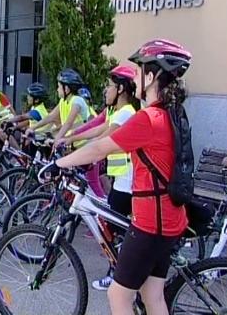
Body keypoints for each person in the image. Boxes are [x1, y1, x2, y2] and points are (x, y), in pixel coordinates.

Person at [43, 39, 192, 315]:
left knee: (118, 295)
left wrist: (58, 164)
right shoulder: (173, 114)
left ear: (151, 76)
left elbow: (101, 146)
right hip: (169, 220)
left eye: (139, 70)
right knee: (152, 295)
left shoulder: (148, 118)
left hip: (150, 224)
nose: (135, 77)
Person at [58, 65, 139, 290]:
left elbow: (103, 139)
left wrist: (74, 155)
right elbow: (98, 128)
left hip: (127, 179)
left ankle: (118, 274)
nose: (105, 89)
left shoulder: (126, 113)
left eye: (110, 85)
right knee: (116, 227)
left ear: (121, 88)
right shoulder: (118, 112)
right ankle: (123, 271)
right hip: (121, 177)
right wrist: (71, 137)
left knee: (112, 229)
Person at [26, 68, 89, 148]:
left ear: (66, 89)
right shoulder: (63, 101)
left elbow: (68, 123)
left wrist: (56, 139)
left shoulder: (77, 101)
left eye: (59, 86)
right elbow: (51, 116)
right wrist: (33, 128)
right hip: (69, 143)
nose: (57, 89)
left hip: (81, 145)